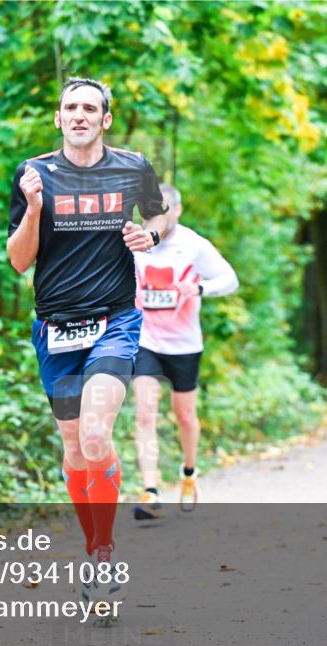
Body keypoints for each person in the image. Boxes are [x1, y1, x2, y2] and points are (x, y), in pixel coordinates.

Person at [7, 77, 169, 609]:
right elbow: (18, 260)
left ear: (105, 119)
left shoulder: (133, 166)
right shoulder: (33, 174)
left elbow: (158, 214)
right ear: (58, 118)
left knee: (98, 433)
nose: (79, 114)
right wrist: (33, 209)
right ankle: (95, 544)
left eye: (90, 108)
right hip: (55, 328)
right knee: (75, 450)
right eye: (70, 107)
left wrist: (153, 235)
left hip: (116, 319)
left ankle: (104, 555)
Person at [130, 184, 238, 521]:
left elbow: (230, 279)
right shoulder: (136, 242)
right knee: (145, 412)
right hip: (146, 340)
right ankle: (150, 490)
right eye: (148, 213)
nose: (154, 220)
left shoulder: (193, 245)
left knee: (185, 417)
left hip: (184, 344)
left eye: (160, 212)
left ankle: (189, 473)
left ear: (176, 211)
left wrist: (200, 288)